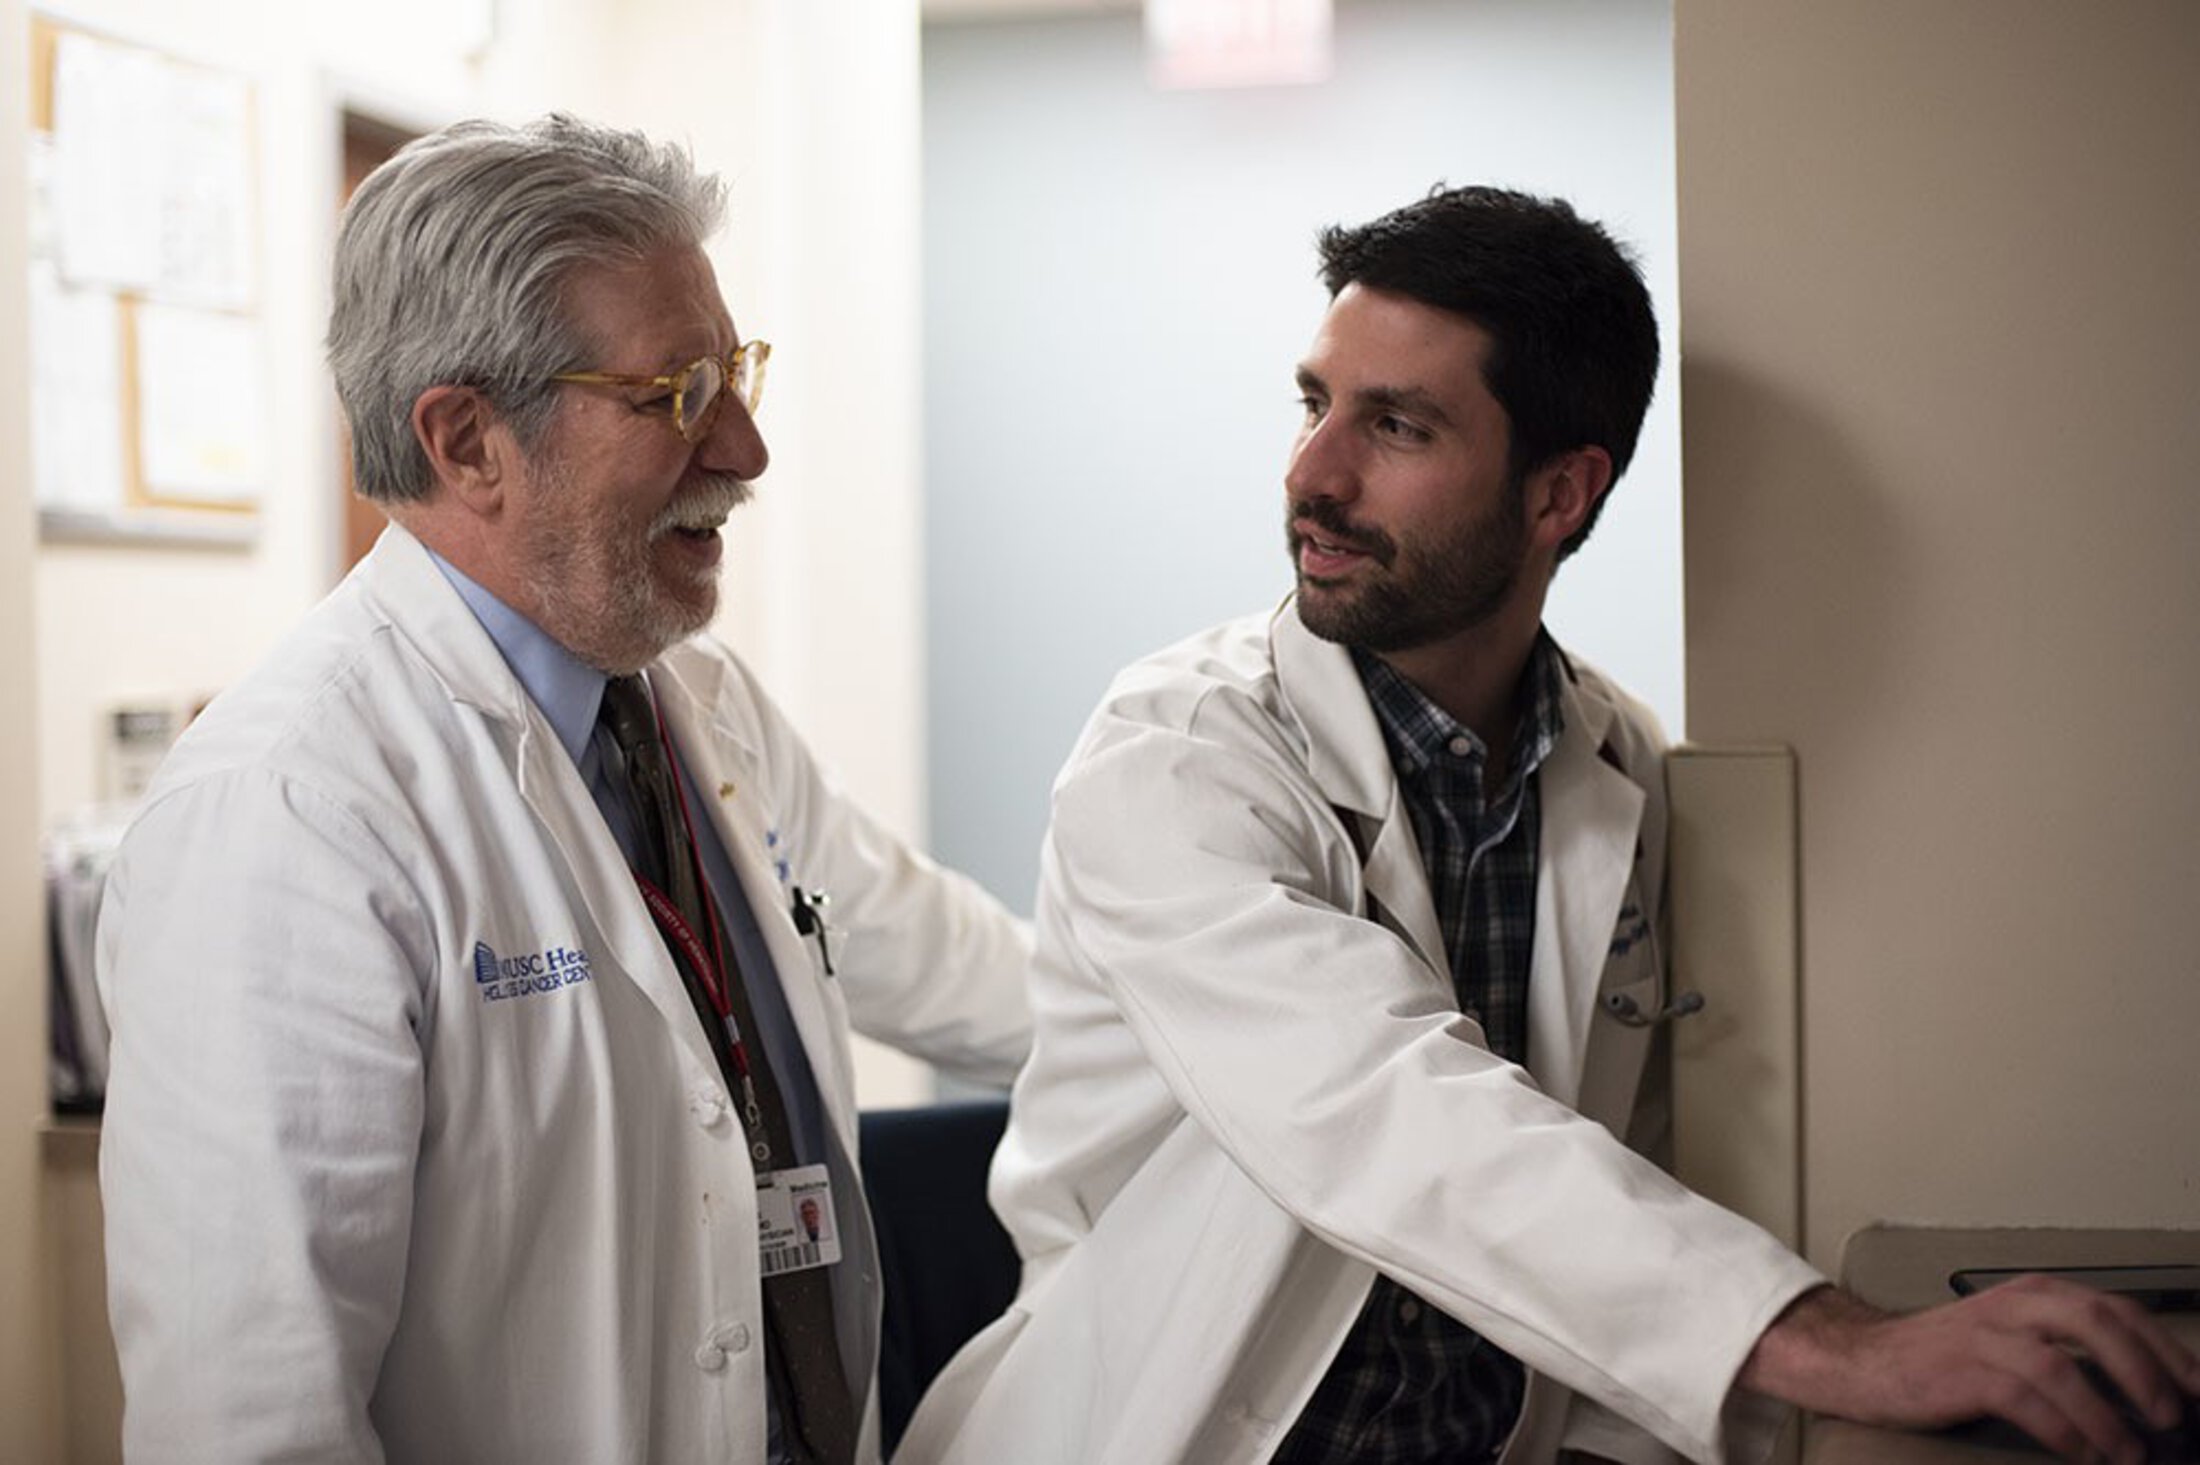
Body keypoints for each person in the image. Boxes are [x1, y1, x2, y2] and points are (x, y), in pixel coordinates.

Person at [896, 186, 2200, 1465]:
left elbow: (1614, 1157)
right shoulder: (1175, 758)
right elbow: (1383, 1108)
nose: (1312, 473)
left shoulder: (1608, 754)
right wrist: (1837, 1346)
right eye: (1314, 404)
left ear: (1558, 495)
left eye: (1395, 425)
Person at [95, 115, 1032, 1465]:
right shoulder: (288, 812)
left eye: (734, 373)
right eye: (676, 394)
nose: (745, 447)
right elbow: (251, 1420)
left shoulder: (696, 704)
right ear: (468, 440)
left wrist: (1235, 1030)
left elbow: (952, 963)